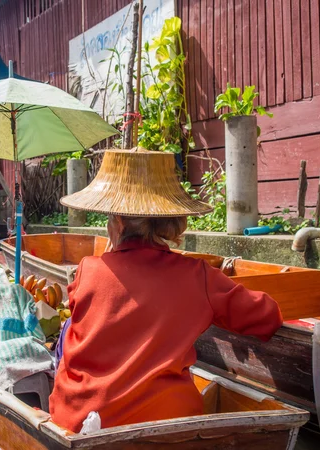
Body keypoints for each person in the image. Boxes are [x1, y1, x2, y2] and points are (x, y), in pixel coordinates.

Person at [49, 148, 283, 433]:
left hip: (79, 419)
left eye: (110, 219)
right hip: (166, 425)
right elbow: (267, 317)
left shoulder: (89, 269)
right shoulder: (199, 277)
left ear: (119, 223)